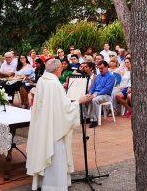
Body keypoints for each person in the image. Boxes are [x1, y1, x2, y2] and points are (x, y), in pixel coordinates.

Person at [27, 59, 91, 191]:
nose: (62, 70)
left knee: (45, 149)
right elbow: (64, 109)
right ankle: (54, 186)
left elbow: (54, 103)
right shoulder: (54, 84)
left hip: (44, 124)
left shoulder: (42, 80)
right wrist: (79, 101)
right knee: (56, 155)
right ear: (57, 69)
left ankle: (42, 182)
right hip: (54, 128)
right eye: (61, 68)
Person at [85, 61, 117, 128]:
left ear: (106, 67)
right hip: (96, 93)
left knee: (94, 100)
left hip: (106, 95)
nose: (100, 70)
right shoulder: (98, 76)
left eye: (102, 68)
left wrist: (96, 94)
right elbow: (93, 86)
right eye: (99, 68)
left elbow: (106, 89)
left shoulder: (111, 77)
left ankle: (94, 120)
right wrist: (90, 93)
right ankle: (87, 117)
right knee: (84, 98)